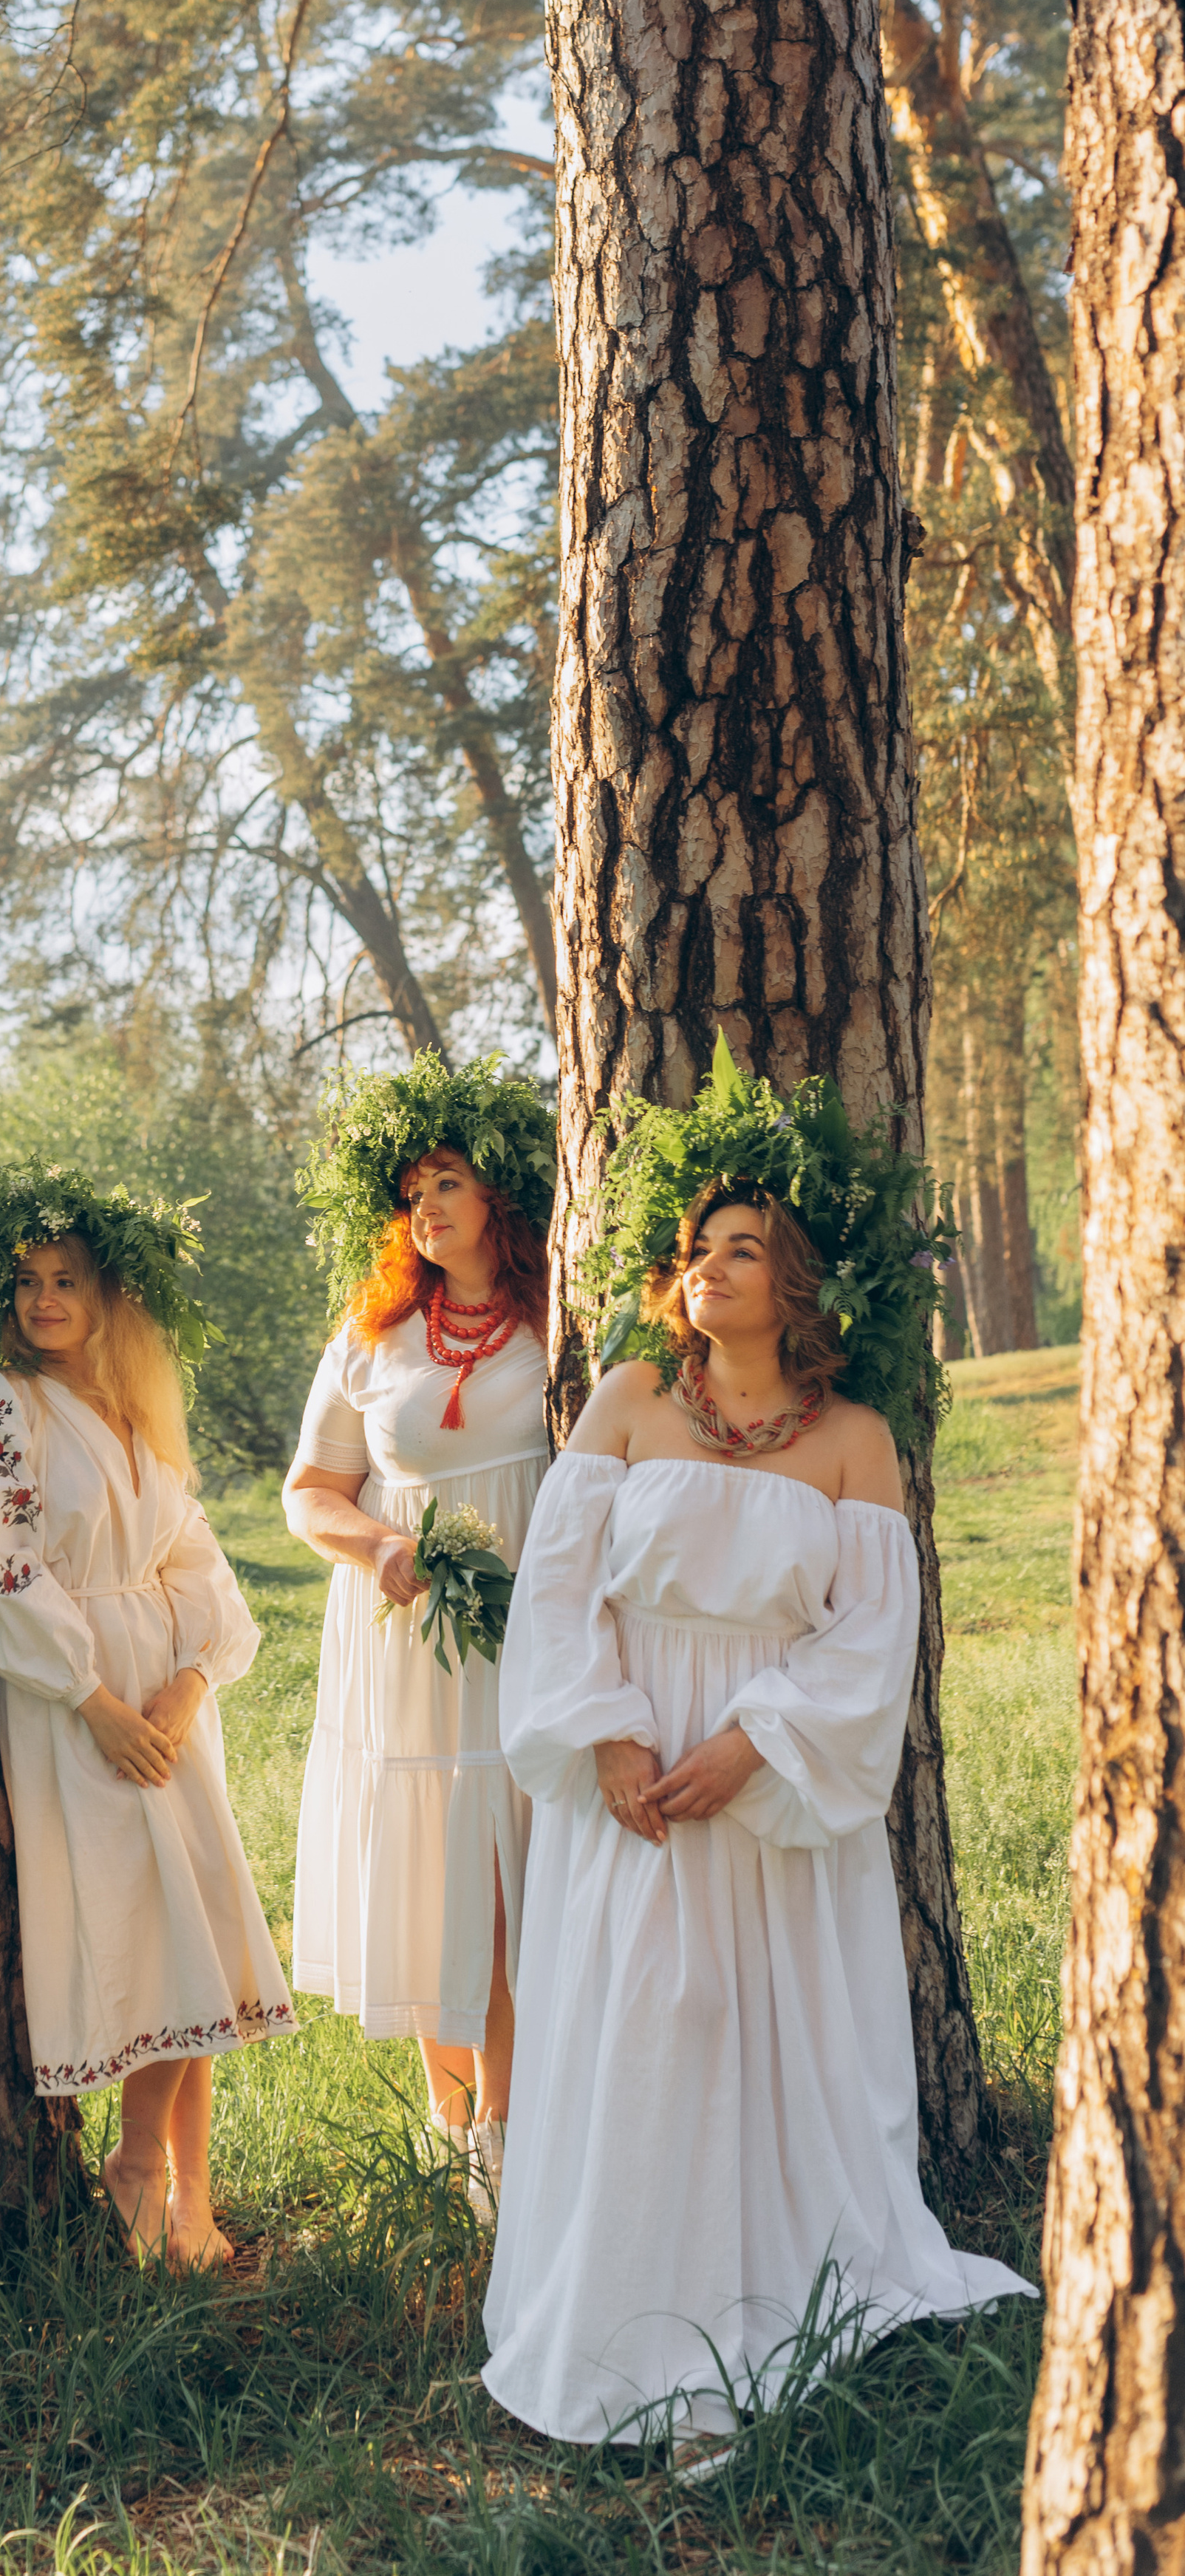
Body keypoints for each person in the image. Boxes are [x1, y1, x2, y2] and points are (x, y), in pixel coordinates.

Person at [483, 1047, 1034, 2447]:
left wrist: (755, 1743)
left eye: (744, 1248)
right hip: (636, 1775)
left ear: (797, 1281)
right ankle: (635, 2324)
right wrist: (607, 1734)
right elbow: (558, 1589)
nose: (709, 1268)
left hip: (770, 1789)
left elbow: (869, 1641)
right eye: (696, 1249)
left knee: (761, 2034)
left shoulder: (853, 1439)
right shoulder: (625, 1402)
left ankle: (769, 2305)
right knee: (653, 2025)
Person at [0, 1163, 296, 2269]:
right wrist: (92, 1700)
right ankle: (136, 2166)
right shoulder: (4, 1406)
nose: (45, 1300)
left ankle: (190, 2202)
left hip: (167, 1704)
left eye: (68, 1280)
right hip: (75, 1702)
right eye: (29, 1281)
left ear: (106, 1297)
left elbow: (197, 1562)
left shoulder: (133, 1411)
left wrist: (189, 1683)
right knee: (149, 1941)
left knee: (204, 1939)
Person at [284, 1052, 556, 2212]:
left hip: (533, 1626)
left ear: (501, 1194)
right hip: (411, 1644)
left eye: (447, 1180)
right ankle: (457, 2126)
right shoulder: (372, 1329)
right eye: (412, 1192)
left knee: (514, 1872)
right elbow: (309, 1490)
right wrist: (383, 1548)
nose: (427, 1207)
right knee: (437, 1871)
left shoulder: (563, 1315)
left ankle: (518, 2117)